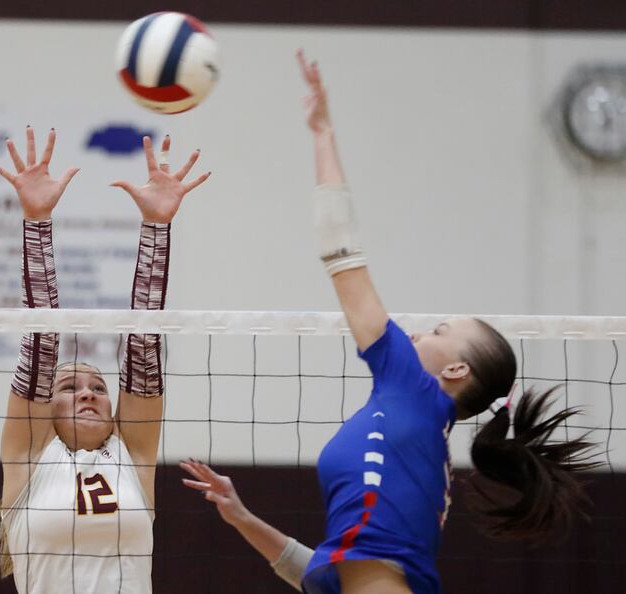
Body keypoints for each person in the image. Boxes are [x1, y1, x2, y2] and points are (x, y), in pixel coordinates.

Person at [181, 51, 597, 594]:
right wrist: (242, 517)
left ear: (455, 368)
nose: (420, 332)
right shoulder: (413, 424)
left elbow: (342, 255)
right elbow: (317, 575)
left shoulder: (414, 390)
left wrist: (324, 135)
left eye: (440, 331)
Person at [0, 126, 210, 593]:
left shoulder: (132, 455)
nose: (89, 391)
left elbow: (143, 347)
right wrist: (36, 219)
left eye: (98, 387)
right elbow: (42, 340)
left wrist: (157, 227)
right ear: (43, 410)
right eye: (69, 388)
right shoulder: (30, 456)